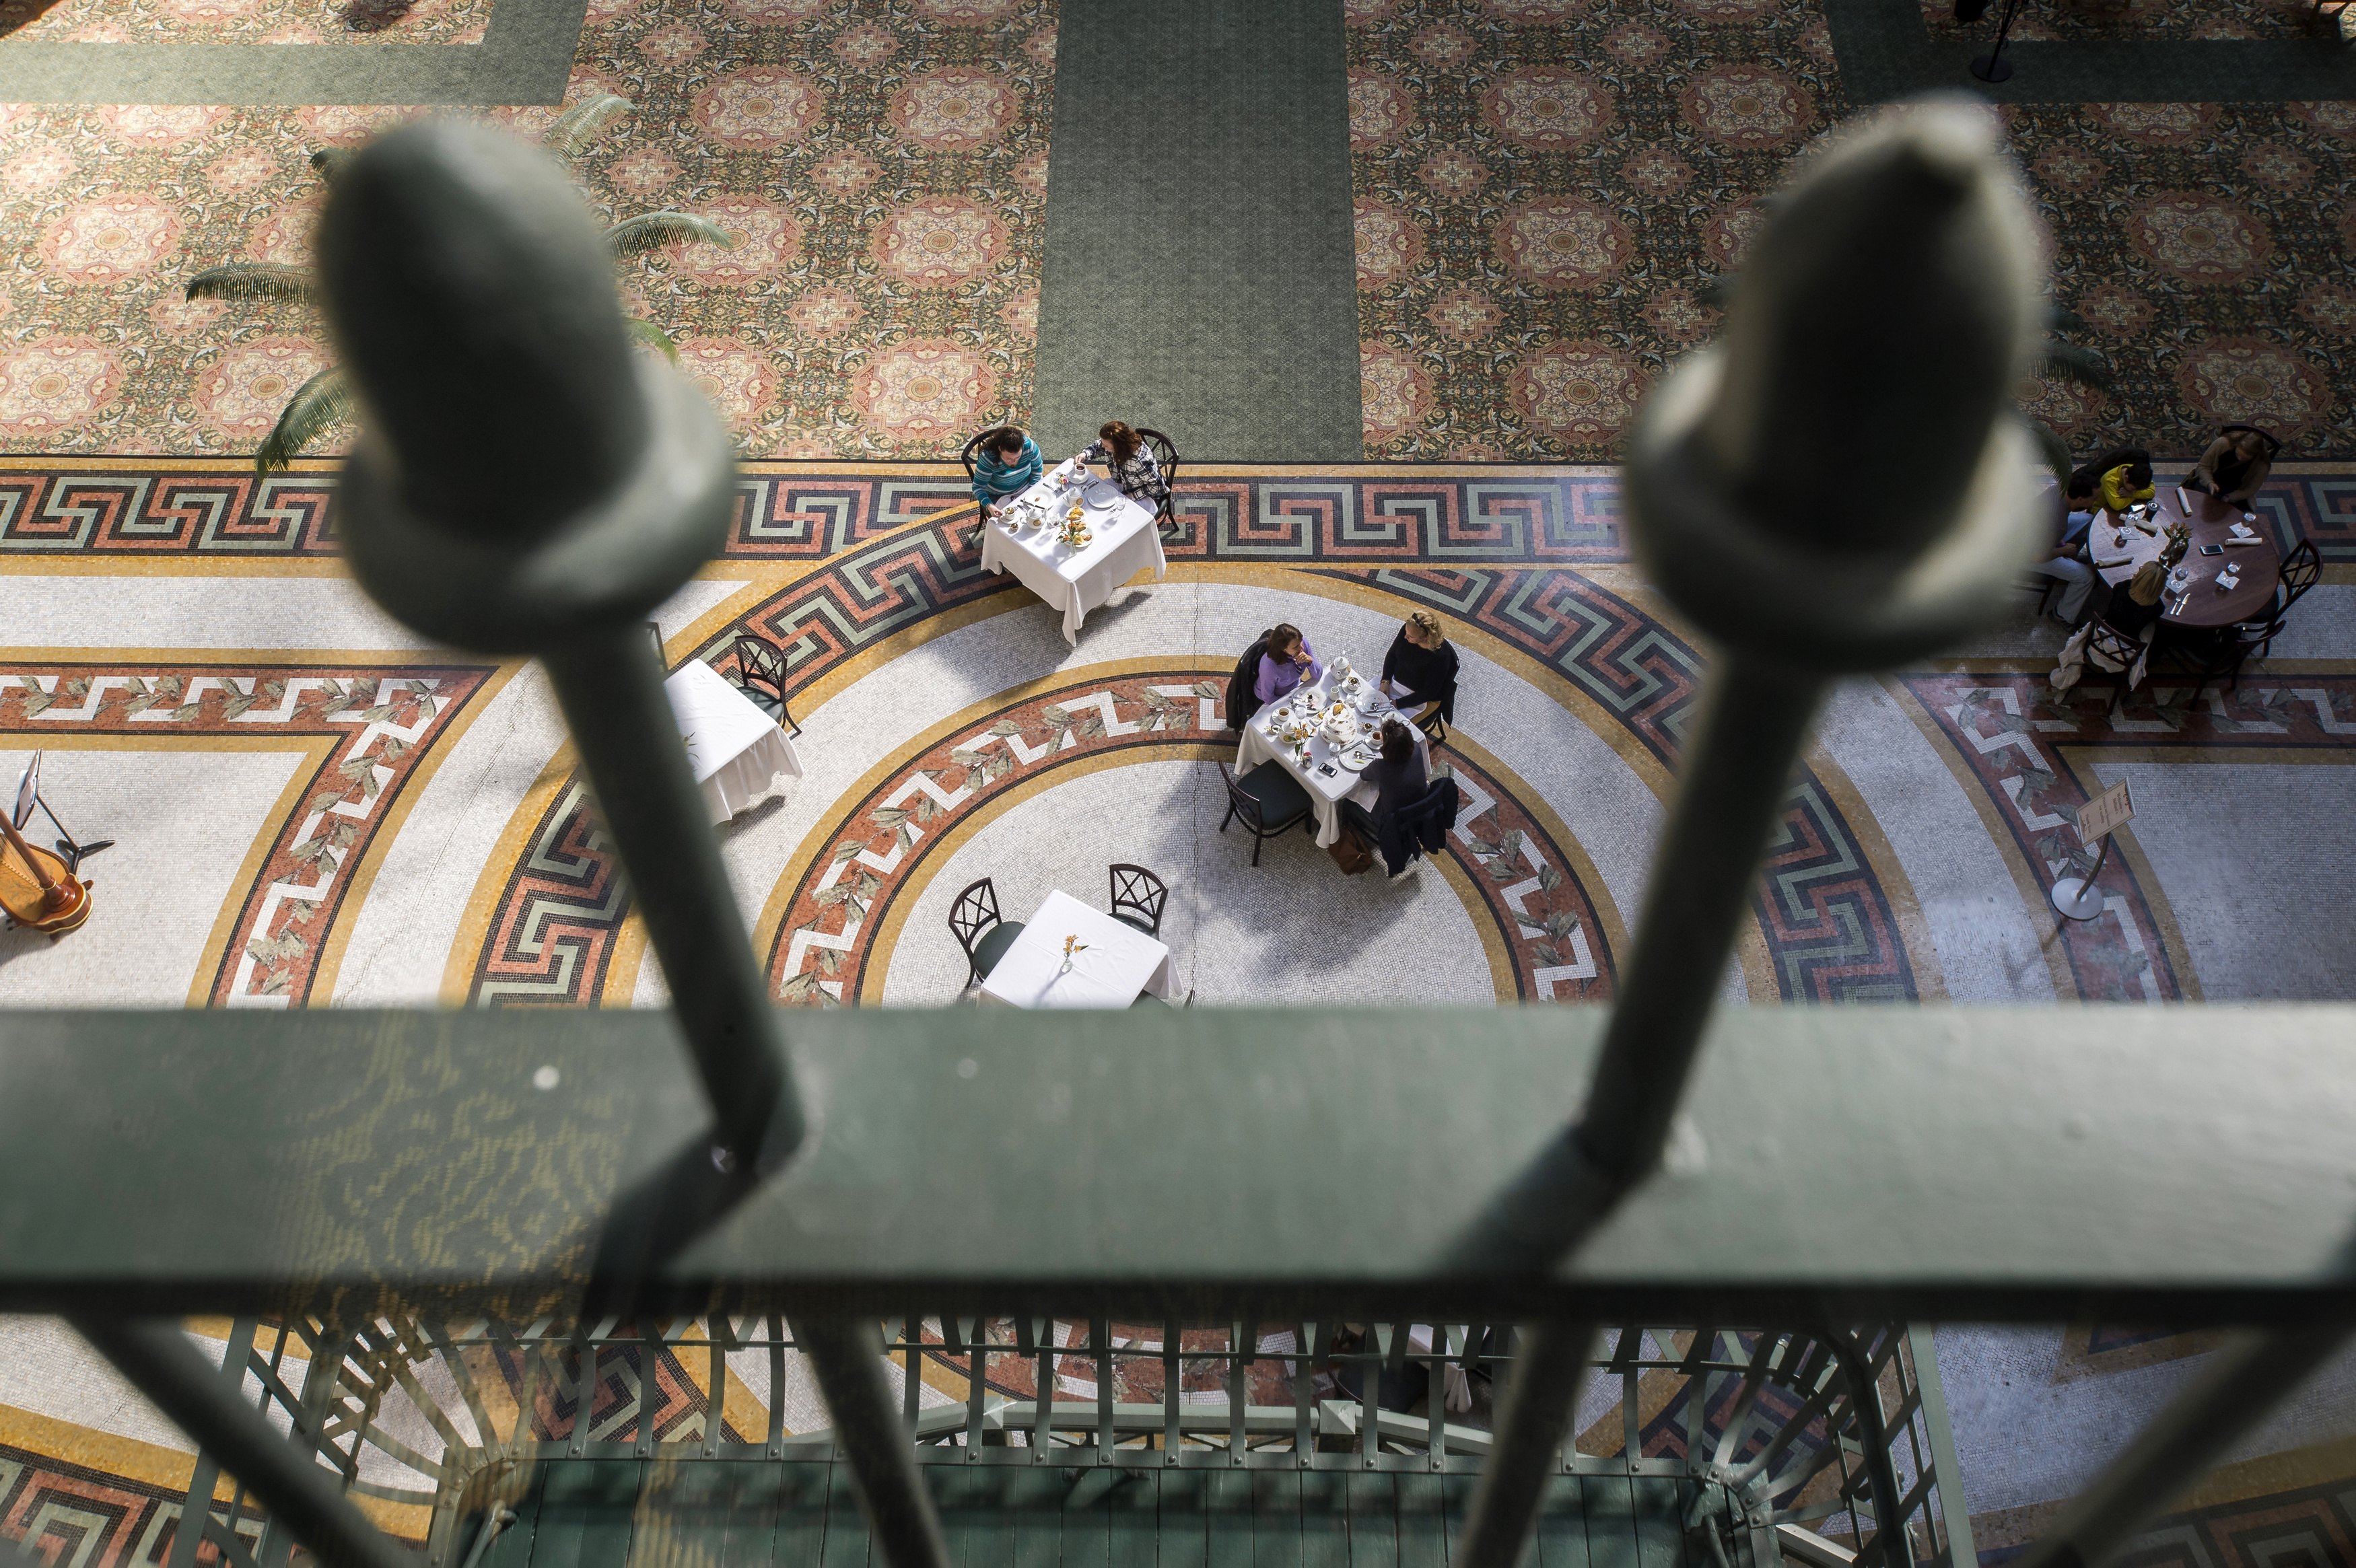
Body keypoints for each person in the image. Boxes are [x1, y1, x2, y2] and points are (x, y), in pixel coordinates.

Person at [2027, 480, 2099, 625]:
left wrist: (2060, 543)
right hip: (2026, 556)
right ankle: (2063, 616)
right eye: (2095, 498)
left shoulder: (2058, 489)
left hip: (2037, 535)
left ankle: (2070, 564)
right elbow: (2038, 557)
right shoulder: (2057, 526)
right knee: (2087, 577)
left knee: (2087, 520)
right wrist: (2064, 549)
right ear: (2081, 499)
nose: (2096, 501)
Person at [1379, 610, 1459, 729]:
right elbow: (1392, 654)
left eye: (1410, 636)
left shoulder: (1442, 657)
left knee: (1389, 729)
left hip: (1415, 699)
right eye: (1406, 632)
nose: (1405, 637)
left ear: (1426, 637)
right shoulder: (1409, 630)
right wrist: (1385, 681)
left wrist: (1397, 704)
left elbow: (1428, 693)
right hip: (1392, 684)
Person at [1072, 421, 1170, 515]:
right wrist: (1085, 454)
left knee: (1121, 519)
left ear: (1117, 446)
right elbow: (1098, 446)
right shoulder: (1115, 445)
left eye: (1106, 445)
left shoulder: (1140, 461)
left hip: (1144, 495)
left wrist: (1132, 496)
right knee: (1093, 497)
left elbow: (1157, 486)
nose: (1102, 446)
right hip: (1123, 483)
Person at [2186, 425, 2275, 508]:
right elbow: (2203, 466)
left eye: (2244, 458)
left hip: (2236, 492)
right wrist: (2209, 483)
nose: (2240, 459)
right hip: (2210, 480)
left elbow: (2250, 490)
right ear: (2237, 445)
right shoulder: (2223, 443)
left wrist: (2230, 497)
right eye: (2238, 454)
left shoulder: (2262, 465)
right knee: (2197, 505)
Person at [969, 426, 1041, 522]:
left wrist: (1031, 491)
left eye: (1017, 457)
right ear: (1000, 449)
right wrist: (989, 505)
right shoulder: (988, 458)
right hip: (999, 496)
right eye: (1008, 458)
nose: (1013, 462)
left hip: (1027, 487)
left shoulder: (1030, 447)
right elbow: (978, 487)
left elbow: (1037, 470)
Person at [2065, 446, 2154, 522]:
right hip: (2101, 511)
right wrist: (2134, 495)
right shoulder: (2110, 480)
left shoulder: (2138, 473)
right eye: (2132, 489)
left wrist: (2131, 493)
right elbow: (2117, 505)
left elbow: (2151, 492)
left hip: (2124, 507)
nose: (2134, 491)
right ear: (2126, 478)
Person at [1253, 622, 1323, 704]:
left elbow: (1318, 675)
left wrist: (1310, 661)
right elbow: (1268, 697)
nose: (1302, 648)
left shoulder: (1302, 644)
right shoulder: (1269, 667)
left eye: (1301, 643)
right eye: (1296, 647)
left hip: (1295, 689)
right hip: (1275, 698)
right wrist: (1288, 704)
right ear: (1283, 649)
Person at [2104, 559, 2168, 638]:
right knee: (2152, 627)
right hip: (2127, 641)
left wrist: (2135, 581)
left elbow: (2124, 584)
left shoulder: (2120, 588)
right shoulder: (2158, 608)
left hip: (2105, 631)